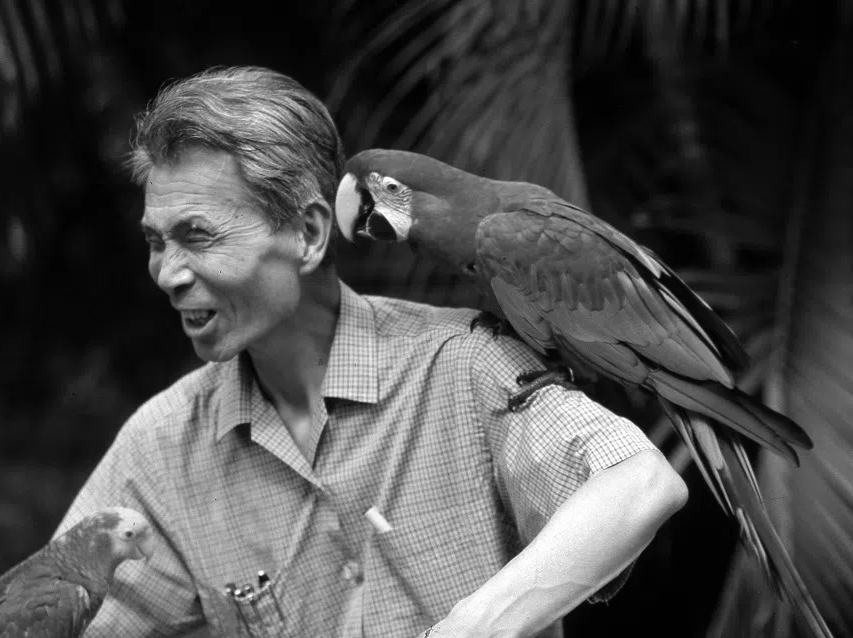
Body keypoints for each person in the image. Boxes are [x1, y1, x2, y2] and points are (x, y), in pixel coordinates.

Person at [54, 65, 688, 638]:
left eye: (197, 236)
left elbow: (640, 484)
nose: (166, 274)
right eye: (156, 242)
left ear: (308, 234)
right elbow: (45, 611)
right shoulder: (163, 446)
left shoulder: (465, 364)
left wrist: (473, 627)